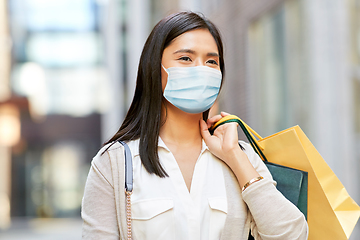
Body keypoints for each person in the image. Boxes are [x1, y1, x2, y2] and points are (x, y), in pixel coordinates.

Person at [81, 11, 308, 240]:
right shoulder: (114, 163)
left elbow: (292, 235)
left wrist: (235, 159)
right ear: (154, 68)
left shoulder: (239, 156)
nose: (201, 69)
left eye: (211, 61)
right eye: (186, 58)